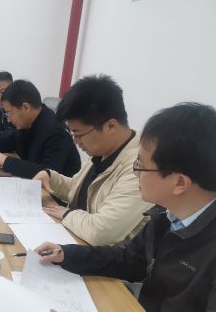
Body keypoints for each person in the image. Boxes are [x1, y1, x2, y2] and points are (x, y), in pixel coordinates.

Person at [36, 103, 216, 312]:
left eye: (141, 166)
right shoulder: (167, 214)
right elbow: (130, 260)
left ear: (180, 183)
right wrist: (68, 254)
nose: (135, 173)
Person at [33, 75, 152, 245]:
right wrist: (50, 177)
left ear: (111, 126)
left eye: (79, 134)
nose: (75, 141)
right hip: (76, 240)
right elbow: (80, 190)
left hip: (105, 256)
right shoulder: (102, 150)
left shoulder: (141, 167)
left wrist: (67, 214)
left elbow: (102, 232)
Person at [0, 80, 81, 178]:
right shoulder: (27, 122)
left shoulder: (55, 131)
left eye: (9, 113)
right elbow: (8, 141)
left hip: (55, 187)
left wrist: (6, 162)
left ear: (26, 108)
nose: (9, 120)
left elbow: (48, 173)